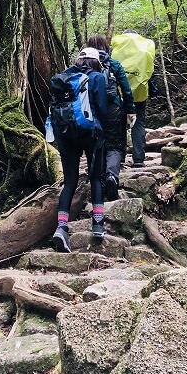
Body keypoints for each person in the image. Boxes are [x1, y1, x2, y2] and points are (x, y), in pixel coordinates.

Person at [51, 47, 108, 253]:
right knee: (95, 178)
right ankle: (98, 225)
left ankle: (61, 227)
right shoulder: (97, 78)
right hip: (92, 134)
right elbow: (102, 108)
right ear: (95, 61)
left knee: (70, 182)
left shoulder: (64, 78)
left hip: (66, 135)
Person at [86, 34, 136, 193]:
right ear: (106, 47)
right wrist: (130, 110)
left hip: (92, 109)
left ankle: (99, 180)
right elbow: (126, 90)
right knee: (114, 144)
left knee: (98, 143)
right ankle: (112, 175)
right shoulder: (113, 64)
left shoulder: (84, 65)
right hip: (113, 108)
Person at [111, 31, 156, 167]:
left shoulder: (117, 47)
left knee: (120, 124)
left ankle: (120, 157)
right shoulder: (145, 48)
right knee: (137, 123)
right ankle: (138, 159)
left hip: (119, 93)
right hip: (139, 93)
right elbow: (150, 72)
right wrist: (153, 90)